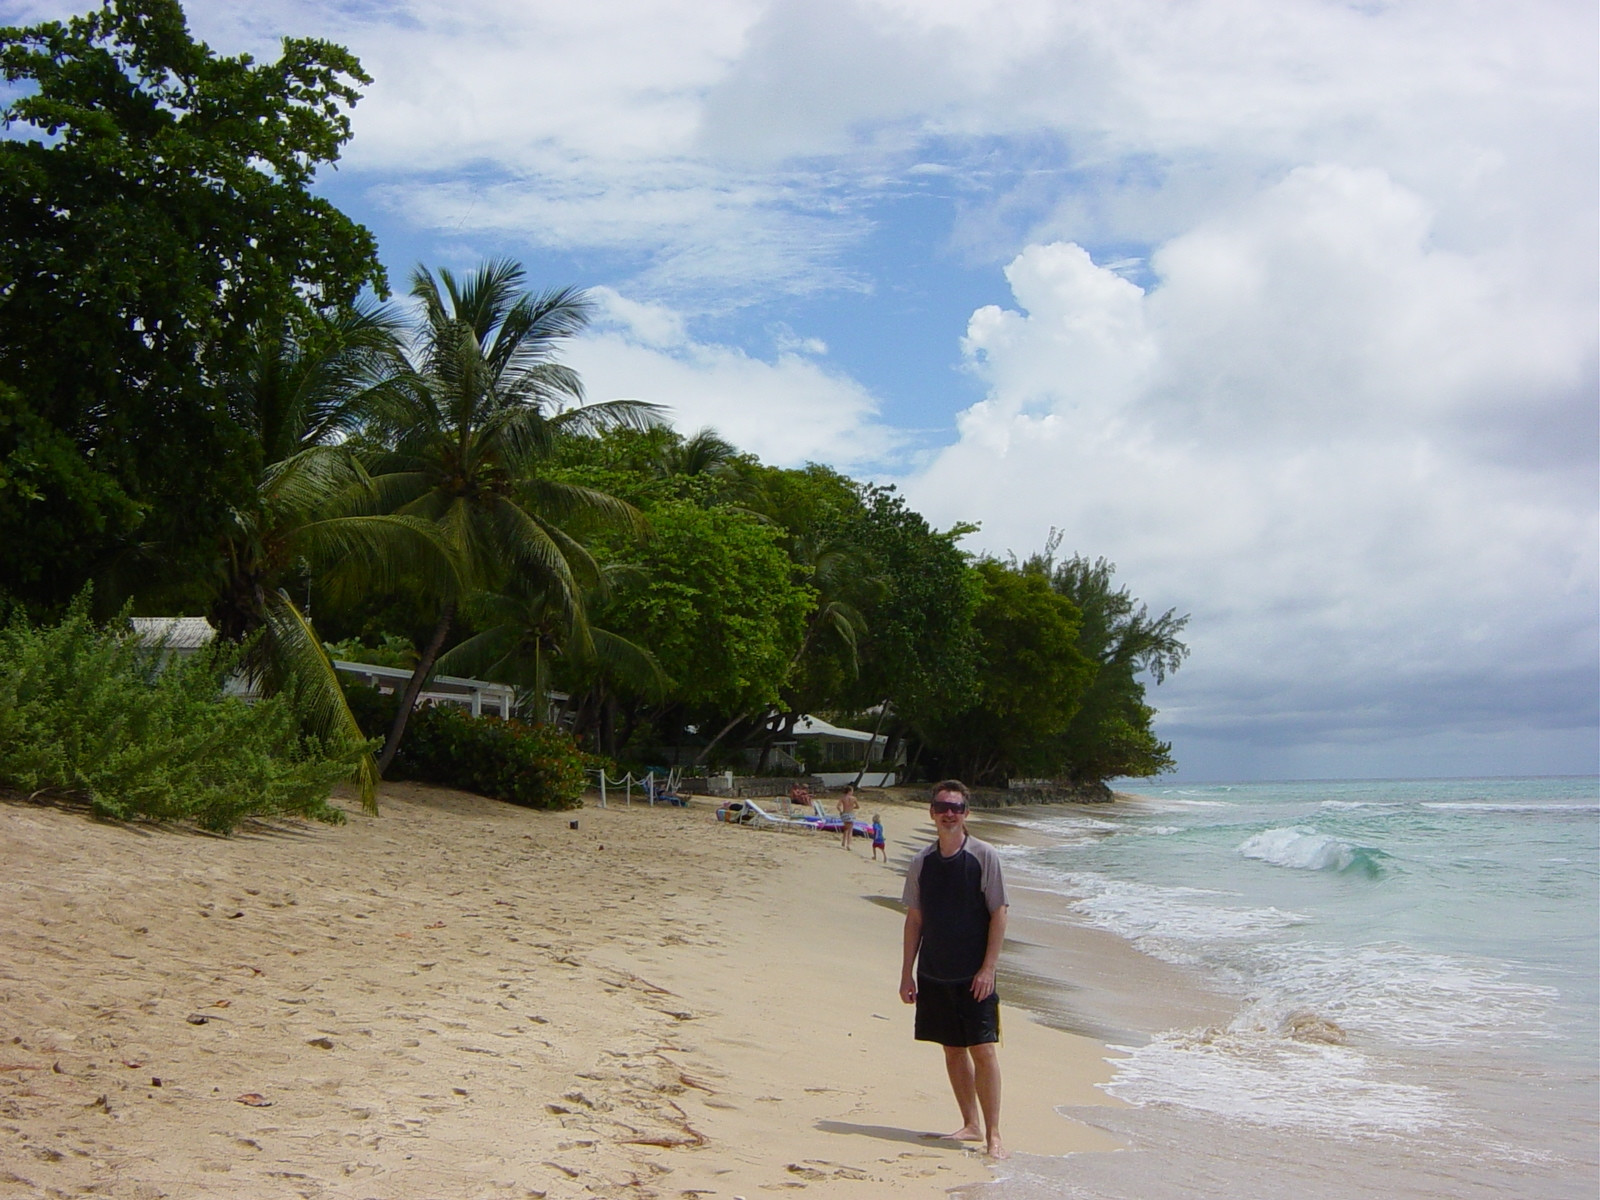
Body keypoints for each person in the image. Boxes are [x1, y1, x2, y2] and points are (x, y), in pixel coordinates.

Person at [899, 780, 1008, 1159]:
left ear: (966, 814)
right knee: (952, 1049)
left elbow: (999, 912)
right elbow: (914, 919)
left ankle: (993, 1134)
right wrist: (906, 973)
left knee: (983, 1049)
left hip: (974, 973)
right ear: (932, 812)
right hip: (934, 972)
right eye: (943, 807)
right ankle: (970, 1124)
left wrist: (988, 968)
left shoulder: (983, 855)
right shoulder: (921, 862)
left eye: (956, 808)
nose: (949, 814)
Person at [838, 783, 860, 850]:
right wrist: (853, 807)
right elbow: (858, 806)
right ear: (850, 791)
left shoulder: (843, 798)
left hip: (844, 814)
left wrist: (841, 812)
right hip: (850, 814)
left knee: (845, 828)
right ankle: (849, 844)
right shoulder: (854, 798)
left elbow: (838, 806)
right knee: (850, 830)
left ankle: (843, 842)